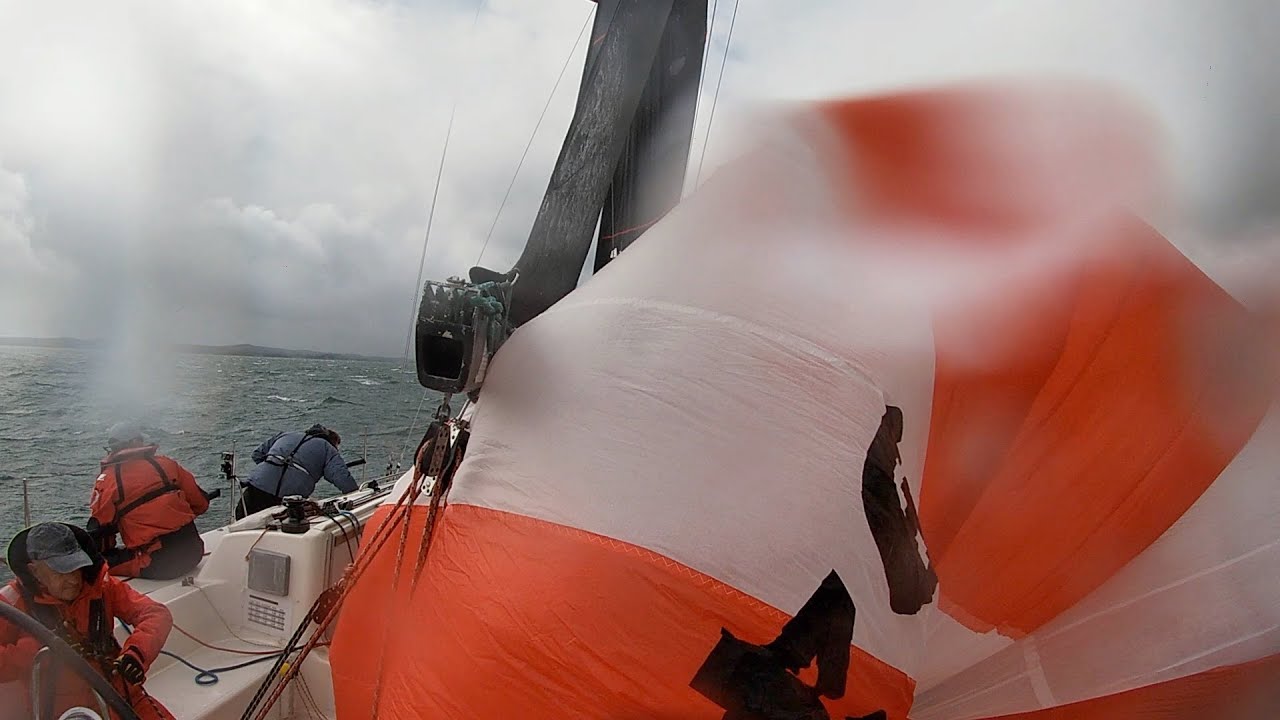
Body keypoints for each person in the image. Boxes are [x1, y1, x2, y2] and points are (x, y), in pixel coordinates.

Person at [0, 522, 176, 720]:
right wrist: (37, 649)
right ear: (35, 571)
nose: (74, 580)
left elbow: (156, 614)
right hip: (67, 712)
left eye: (76, 568)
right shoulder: (12, 604)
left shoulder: (100, 586)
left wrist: (137, 654)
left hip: (119, 695)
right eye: (61, 572)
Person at [87, 422, 211, 580]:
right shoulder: (166, 464)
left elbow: (100, 532)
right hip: (194, 552)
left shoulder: (107, 481)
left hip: (158, 564)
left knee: (97, 563)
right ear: (137, 442)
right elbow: (200, 503)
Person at [237, 424, 358, 519]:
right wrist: (357, 495)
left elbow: (257, 454)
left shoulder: (286, 435)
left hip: (256, 487)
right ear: (332, 443)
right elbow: (342, 478)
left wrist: (271, 470)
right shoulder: (328, 449)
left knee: (241, 523)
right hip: (288, 498)